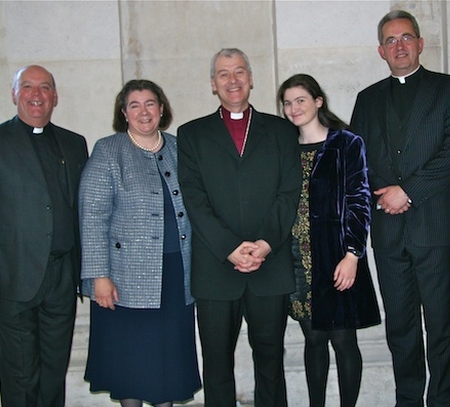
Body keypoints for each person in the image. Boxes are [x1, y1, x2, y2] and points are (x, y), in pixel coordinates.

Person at [350, 10, 450, 407]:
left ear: (420, 43)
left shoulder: (449, 89)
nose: (399, 46)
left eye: (406, 38)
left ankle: (443, 401)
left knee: (442, 325)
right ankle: (407, 400)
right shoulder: (367, 99)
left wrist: (408, 191)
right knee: (400, 326)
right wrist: (382, 196)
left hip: (435, 226)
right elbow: (356, 160)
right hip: (387, 232)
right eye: (390, 40)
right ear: (381, 51)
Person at [177, 48, 301, 407]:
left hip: (269, 264)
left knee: (270, 363)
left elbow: (289, 192)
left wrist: (265, 244)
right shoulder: (192, 134)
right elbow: (194, 200)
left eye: (239, 72)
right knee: (216, 366)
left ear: (251, 78)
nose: (232, 80)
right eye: (223, 74)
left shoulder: (280, 131)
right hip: (216, 268)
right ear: (212, 84)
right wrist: (230, 248)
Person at [0, 65, 88, 406]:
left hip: (62, 277)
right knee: (19, 373)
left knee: (53, 369)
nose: (36, 94)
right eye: (27, 87)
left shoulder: (75, 145)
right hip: (11, 277)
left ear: (54, 97)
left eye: (44, 87)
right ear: (14, 94)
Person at [79, 79, 201, 407]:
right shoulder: (109, 150)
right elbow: (91, 216)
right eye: (135, 105)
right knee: (130, 360)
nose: (143, 111)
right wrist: (98, 277)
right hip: (124, 279)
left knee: (168, 357)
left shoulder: (179, 148)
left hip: (177, 274)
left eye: (150, 103)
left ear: (162, 109)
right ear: (124, 112)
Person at [277, 73, 381, 407]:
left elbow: (360, 201)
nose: (294, 108)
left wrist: (353, 254)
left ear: (318, 101)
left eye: (301, 100)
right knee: (314, 339)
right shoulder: (282, 148)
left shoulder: (346, 143)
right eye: (288, 102)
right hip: (296, 259)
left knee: (343, 339)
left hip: (337, 257)